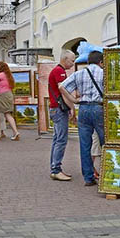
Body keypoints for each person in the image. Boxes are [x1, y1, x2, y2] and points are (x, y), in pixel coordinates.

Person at [62, 50, 106, 186]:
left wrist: (74, 101)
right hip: (99, 108)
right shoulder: (104, 73)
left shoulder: (79, 73)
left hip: (84, 109)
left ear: (88, 61)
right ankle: (108, 174)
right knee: (105, 142)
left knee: (85, 144)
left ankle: (88, 177)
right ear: (101, 62)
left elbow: (62, 87)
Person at [48, 50, 79, 182]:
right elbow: (63, 91)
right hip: (59, 109)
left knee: (57, 139)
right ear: (65, 59)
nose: (73, 64)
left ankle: (54, 167)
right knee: (61, 139)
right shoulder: (59, 72)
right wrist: (72, 106)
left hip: (56, 108)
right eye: (72, 61)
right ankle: (56, 169)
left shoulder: (57, 71)